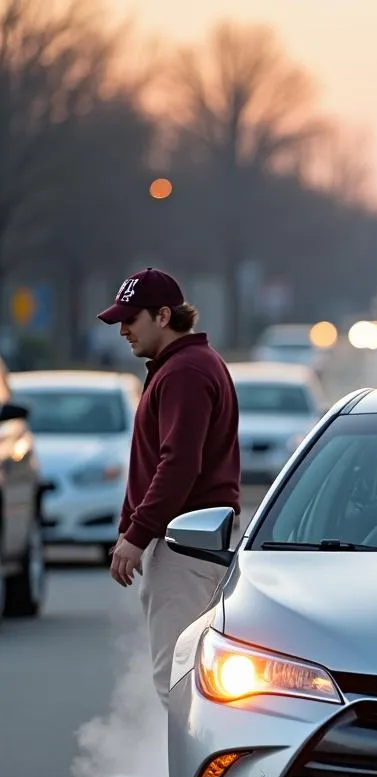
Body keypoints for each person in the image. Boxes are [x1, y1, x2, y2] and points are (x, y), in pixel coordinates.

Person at [97, 268, 241, 707]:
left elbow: (179, 464)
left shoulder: (184, 372)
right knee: (190, 681)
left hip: (186, 544)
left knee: (179, 687)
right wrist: (130, 526)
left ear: (163, 316)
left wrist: (137, 535)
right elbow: (154, 460)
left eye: (130, 319)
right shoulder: (181, 366)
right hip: (191, 540)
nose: (122, 330)